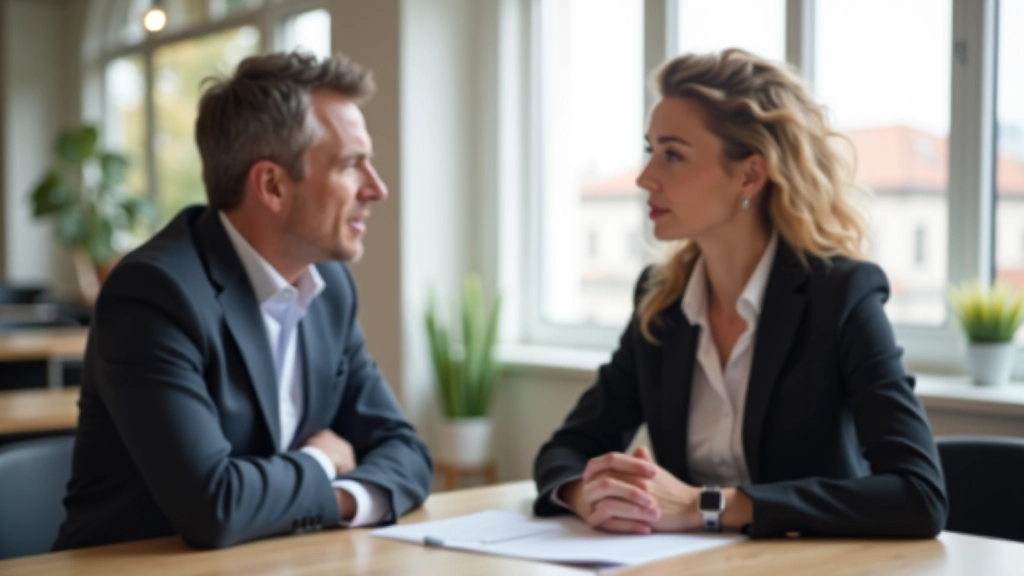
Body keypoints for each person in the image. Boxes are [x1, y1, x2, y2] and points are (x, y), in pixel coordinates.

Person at [533, 49, 947, 538]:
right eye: (650, 151)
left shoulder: (839, 296)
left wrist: (705, 505)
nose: (645, 178)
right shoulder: (661, 302)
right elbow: (566, 450)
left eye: (672, 155)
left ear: (750, 174)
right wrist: (591, 496)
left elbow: (918, 495)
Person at [55, 52, 432, 550]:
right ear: (272, 185)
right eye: (350, 164)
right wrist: (323, 461)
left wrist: (340, 498)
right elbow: (214, 507)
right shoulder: (153, 295)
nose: (377, 188)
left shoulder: (330, 289)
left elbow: (406, 453)